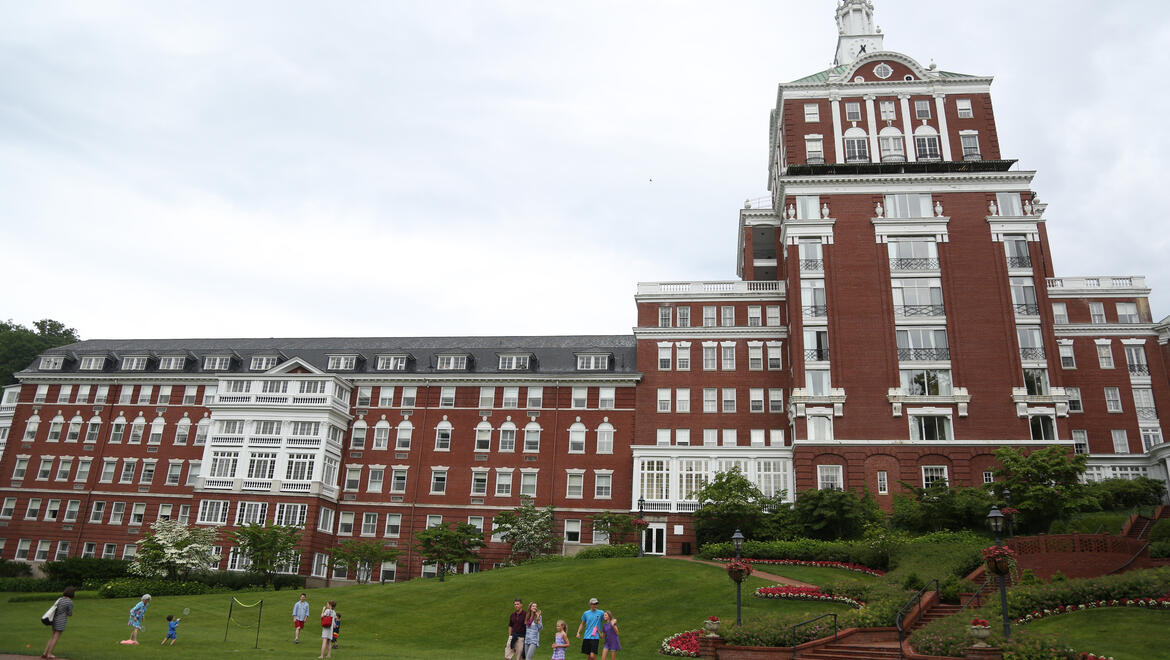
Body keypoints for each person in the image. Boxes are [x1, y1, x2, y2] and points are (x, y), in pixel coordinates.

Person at [40, 585, 74, 659]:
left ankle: (45, 653)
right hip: (61, 620)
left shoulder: (60, 599)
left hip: (54, 619)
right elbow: (70, 614)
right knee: (56, 637)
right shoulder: (70, 602)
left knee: (52, 636)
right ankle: (49, 654)